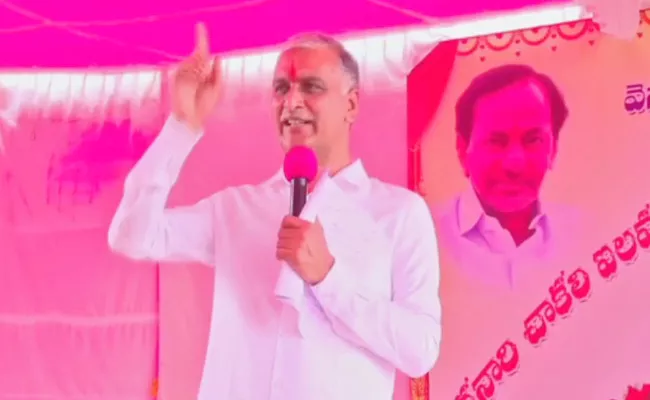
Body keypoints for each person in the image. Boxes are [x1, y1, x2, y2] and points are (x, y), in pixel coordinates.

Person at [108, 23, 442, 400]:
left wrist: (328, 279)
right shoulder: (237, 208)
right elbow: (132, 235)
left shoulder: (398, 213)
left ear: (351, 104)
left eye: (311, 87)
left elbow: (421, 350)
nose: (292, 101)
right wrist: (182, 126)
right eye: (281, 89)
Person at [436, 63, 582, 289]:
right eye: (496, 142)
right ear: (462, 149)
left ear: (553, 149)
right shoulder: (427, 237)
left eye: (532, 140)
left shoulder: (584, 235)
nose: (515, 164)